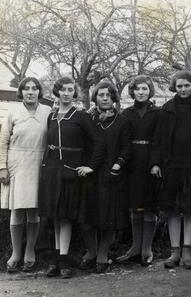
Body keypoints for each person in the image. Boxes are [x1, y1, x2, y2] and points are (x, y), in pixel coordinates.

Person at [38, 76, 105, 278]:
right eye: (63, 90)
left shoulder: (81, 116)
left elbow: (99, 142)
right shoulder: (51, 116)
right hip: (52, 172)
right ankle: (56, 262)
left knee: (65, 218)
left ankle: (65, 261)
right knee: (56, 218)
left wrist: (90, 166)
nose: (66, 93)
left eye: (70, 90)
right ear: (56, 93)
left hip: (70, 172)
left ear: (73, 93)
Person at [150, 71, 191, 270]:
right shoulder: (166, 109)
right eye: (179, 86)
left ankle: (187, 250)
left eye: (186, 85)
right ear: (174, 88)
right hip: (171, 166)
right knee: (172, 209)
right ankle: (174, 251)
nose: (183, 89)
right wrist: (156, 163)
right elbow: (158, 140)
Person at [0, 77, 51, 273]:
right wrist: (2, 167)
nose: (30, 92)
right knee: (17, 209)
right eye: (26, 89)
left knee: (34, 210)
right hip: (17, 164)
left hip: (39, 163)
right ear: (21, 92)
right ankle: (16, 253)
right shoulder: (13, 112)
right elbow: (3, 141)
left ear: (39, 91)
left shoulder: (47, 112)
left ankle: (30, 252)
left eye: (34, 89)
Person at [80, 80, 132, 273]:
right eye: (101, 95)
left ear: (113, 98)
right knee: (87, 216)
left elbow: (127, 147)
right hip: (89, 173)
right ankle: (91, 251)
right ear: (95, 98)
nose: (104, 98)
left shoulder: (122, 121)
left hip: (112, 174)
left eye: (108, 95)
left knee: (108, 216)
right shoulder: (87, 119)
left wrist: (118, 164)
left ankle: (103, 252)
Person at [117, 75, 159, 266]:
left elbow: (161, 141)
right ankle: (135, 247)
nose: (141, 92)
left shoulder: (158, 113)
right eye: (137, 89)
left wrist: (156, 163)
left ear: (150, 91)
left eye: (144, 89)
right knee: (136, 205)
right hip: (132, 164)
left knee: (149, 205)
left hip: (151, 164)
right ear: (132, 91)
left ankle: (146, 249)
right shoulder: (126, 113)